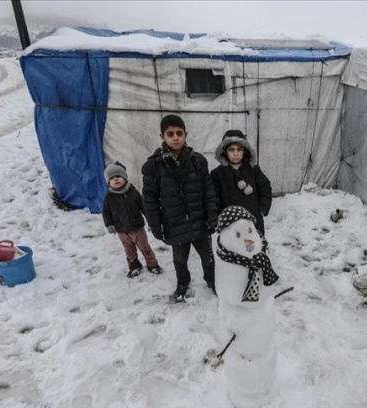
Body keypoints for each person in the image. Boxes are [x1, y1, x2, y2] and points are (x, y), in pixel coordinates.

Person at [141, 114, 218, 301]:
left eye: (179, 133)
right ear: (162, 137)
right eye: (170, 134)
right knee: (180, 259)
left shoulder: (197, 161)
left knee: (207, 257)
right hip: (174, 222)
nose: (175, 137)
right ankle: (183, 282)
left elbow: (209, 190)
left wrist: (212, 214)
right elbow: (149, 198)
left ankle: (212, 280)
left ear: (186, 135)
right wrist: (155, 224)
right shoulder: (154, 165)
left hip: (200, 221)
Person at [102, 161, 163, 278]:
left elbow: (144, 208)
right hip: (121, 230)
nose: (116, 179)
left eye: (118, 176)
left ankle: (153, 265)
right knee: (129, 251)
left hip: (137, 228)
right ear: (108, 182)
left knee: (145, 248)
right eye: (112, 178)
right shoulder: (108, 197)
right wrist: (109, 224)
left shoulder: (133, 193)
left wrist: (151, 222)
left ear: (124, 177)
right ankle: (134, 266)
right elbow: (106, 212)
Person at [210, 130, 272, 236]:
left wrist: (262, 209)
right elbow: (213, 197)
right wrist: (221, 215)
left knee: (255, 246)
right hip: (230, 223)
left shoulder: (253, 170)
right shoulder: (217, 174)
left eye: (239, 149)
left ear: (245, 151)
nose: (236, 154)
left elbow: (265, 188)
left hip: (253, 220)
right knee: (234, 248)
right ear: (224, 151)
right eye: (231, 150)